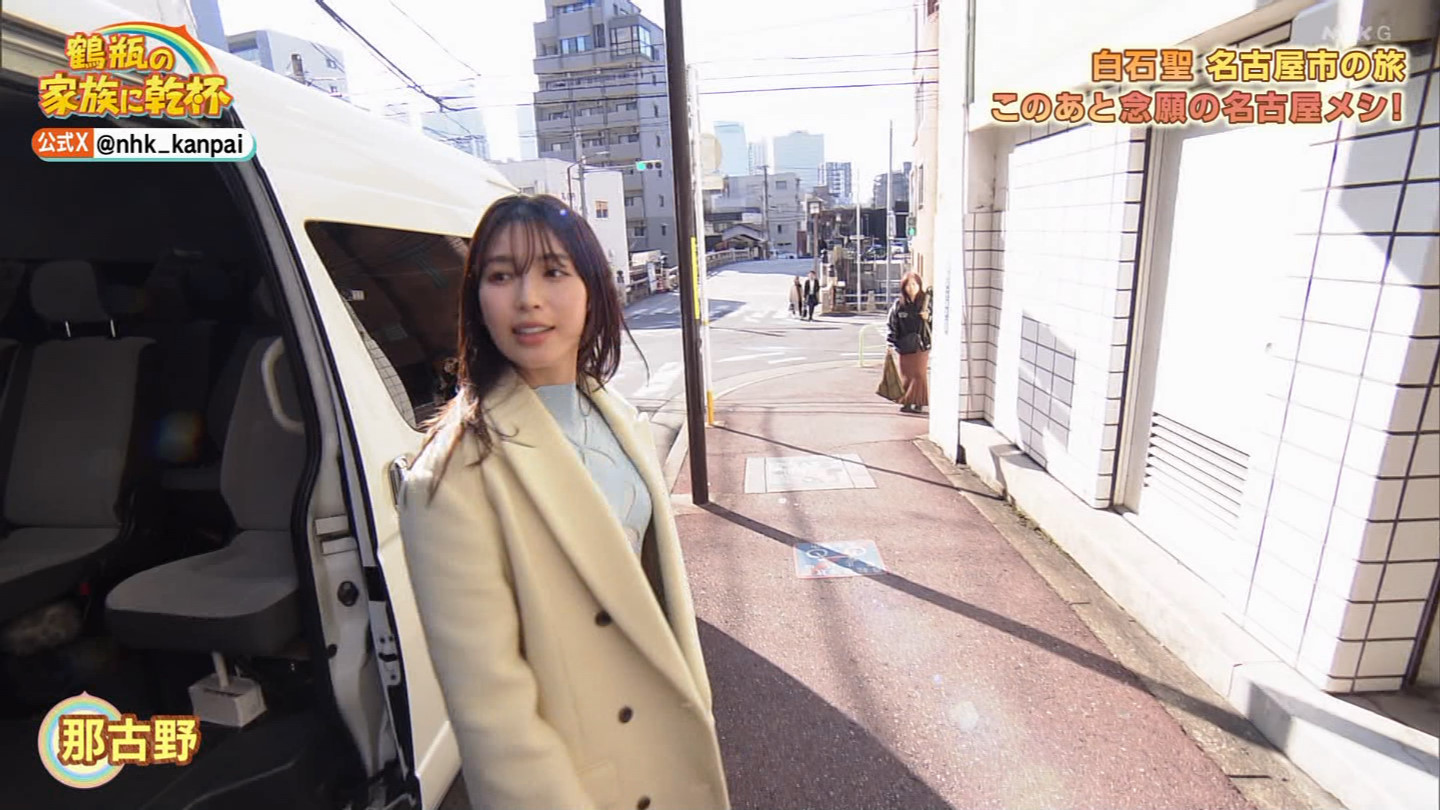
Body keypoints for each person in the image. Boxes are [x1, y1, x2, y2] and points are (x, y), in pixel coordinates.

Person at [397, 194, 730, 810]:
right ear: (477, 299)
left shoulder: (616, 417)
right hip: (587, 784)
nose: (528, 298)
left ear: (592, 289)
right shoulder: (451, 478)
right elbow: (495, 721)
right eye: (502, 276)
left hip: (664, 751)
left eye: (553, 271)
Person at [887, 270, 932, 414]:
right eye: (908, 285)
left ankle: (919, 402)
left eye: (914, 284)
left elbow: (937, 322)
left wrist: (928, 318)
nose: (911, 288)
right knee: (906, 374)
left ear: (919, 285)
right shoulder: (899, 304)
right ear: (903, 287)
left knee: (919, 374)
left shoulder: (926, 302)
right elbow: (892, 324)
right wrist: (890, 343)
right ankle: (906, 401)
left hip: (921, 344)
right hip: (904, 345)